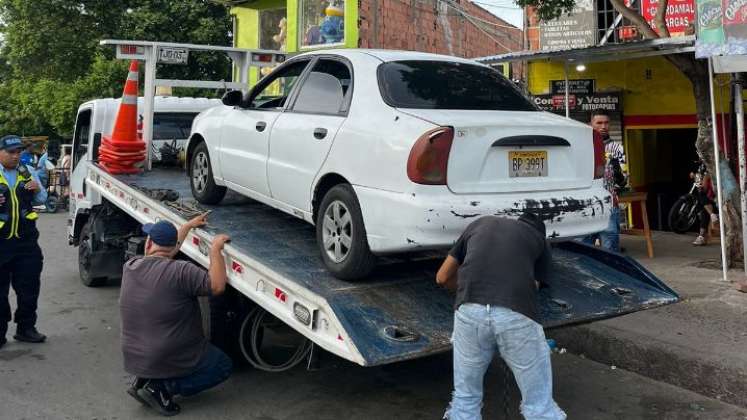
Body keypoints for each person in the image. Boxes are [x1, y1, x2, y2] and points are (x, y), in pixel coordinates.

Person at [437, 213, 566, 420]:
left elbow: (442, 277)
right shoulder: (539, 240)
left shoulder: (479, 223)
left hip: (469, 311)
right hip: (515, 313)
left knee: (465, 398)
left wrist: (469, 293)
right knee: (538, 403)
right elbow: (532, 287)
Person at [120, 215, 232, 416]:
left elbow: (167, 251)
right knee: (222, 365)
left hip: (135, 356)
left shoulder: (131, 267)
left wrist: (188, 226)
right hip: (167, 354)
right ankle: (163, 388)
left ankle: (148, 378)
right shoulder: (181, 272)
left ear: (149, 243)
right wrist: (216, 249)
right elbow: (217, 286)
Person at [0, 135, 48, 349]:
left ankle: (26, 329)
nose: (16, 155)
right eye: (11, 152)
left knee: (29, 288)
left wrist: (37, 189)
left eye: (18, 151)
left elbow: (42, 199)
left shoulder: (27, 171)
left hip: (26, 243)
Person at [584, 109, 627, 252]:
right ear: (590, 124)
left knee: (610, 251)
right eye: (599, 123)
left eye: (606, 123)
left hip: (609, 206)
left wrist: (617, 170)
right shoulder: (581, 148)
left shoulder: (617, 149)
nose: (603, 126)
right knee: (584, 251)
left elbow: (623, 182)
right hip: (585, 206)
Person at [693, 170, 718, 246]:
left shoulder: (715, 176)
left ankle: (701, 236)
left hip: (723, 203)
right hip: (712, 204)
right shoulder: (708, 175)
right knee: (704, 210)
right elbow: (705, 188)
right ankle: (701, 237)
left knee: (702, 199)